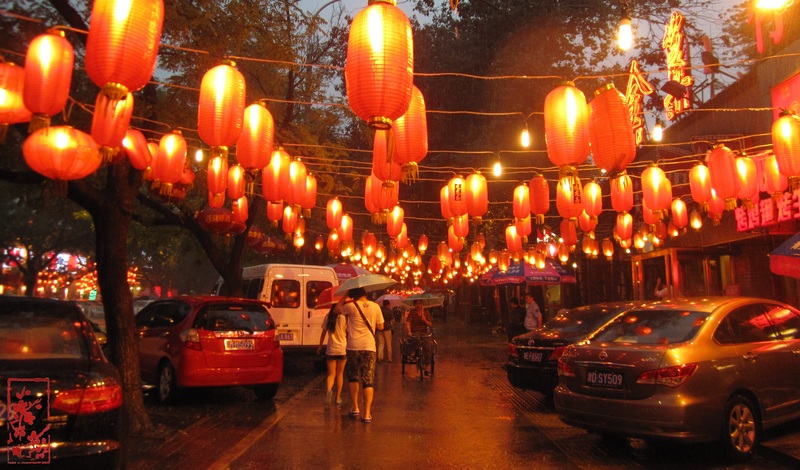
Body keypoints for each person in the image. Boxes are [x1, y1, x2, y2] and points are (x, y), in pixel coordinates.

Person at [335, 287, 383, 424]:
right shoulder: (375, 307)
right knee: (368, 380)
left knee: (353, 377)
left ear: (353, 295)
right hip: (369, 348)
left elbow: (337, 310)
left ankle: (355, 407)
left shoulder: (350, 306)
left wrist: (345, 295)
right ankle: (367, 413)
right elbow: (380, 326)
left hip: (353, 347)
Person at [317, 306, 347, 407]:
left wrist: (320, 346)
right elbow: (348, 332)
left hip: (331, 349)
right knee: (340, 374)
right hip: (342, 348)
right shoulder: (345, 317)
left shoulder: (328, 317)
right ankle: (338, 398)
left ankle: (329, 391)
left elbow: (323, 333)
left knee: (331, 374)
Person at [405, 299, 433, 375]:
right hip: (415, 332)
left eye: (420, 303)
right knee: (415, 339)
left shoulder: (426, 312)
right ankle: (414, 351)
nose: (418, 305)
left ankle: (427, 367)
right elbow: (408, 322)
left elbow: (430, 324)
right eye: (417, 304)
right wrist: (409, 331)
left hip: (424, 332)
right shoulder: (412, 312)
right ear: (414, 305)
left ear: (422, 304)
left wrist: (424, 320)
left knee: (428, 348)